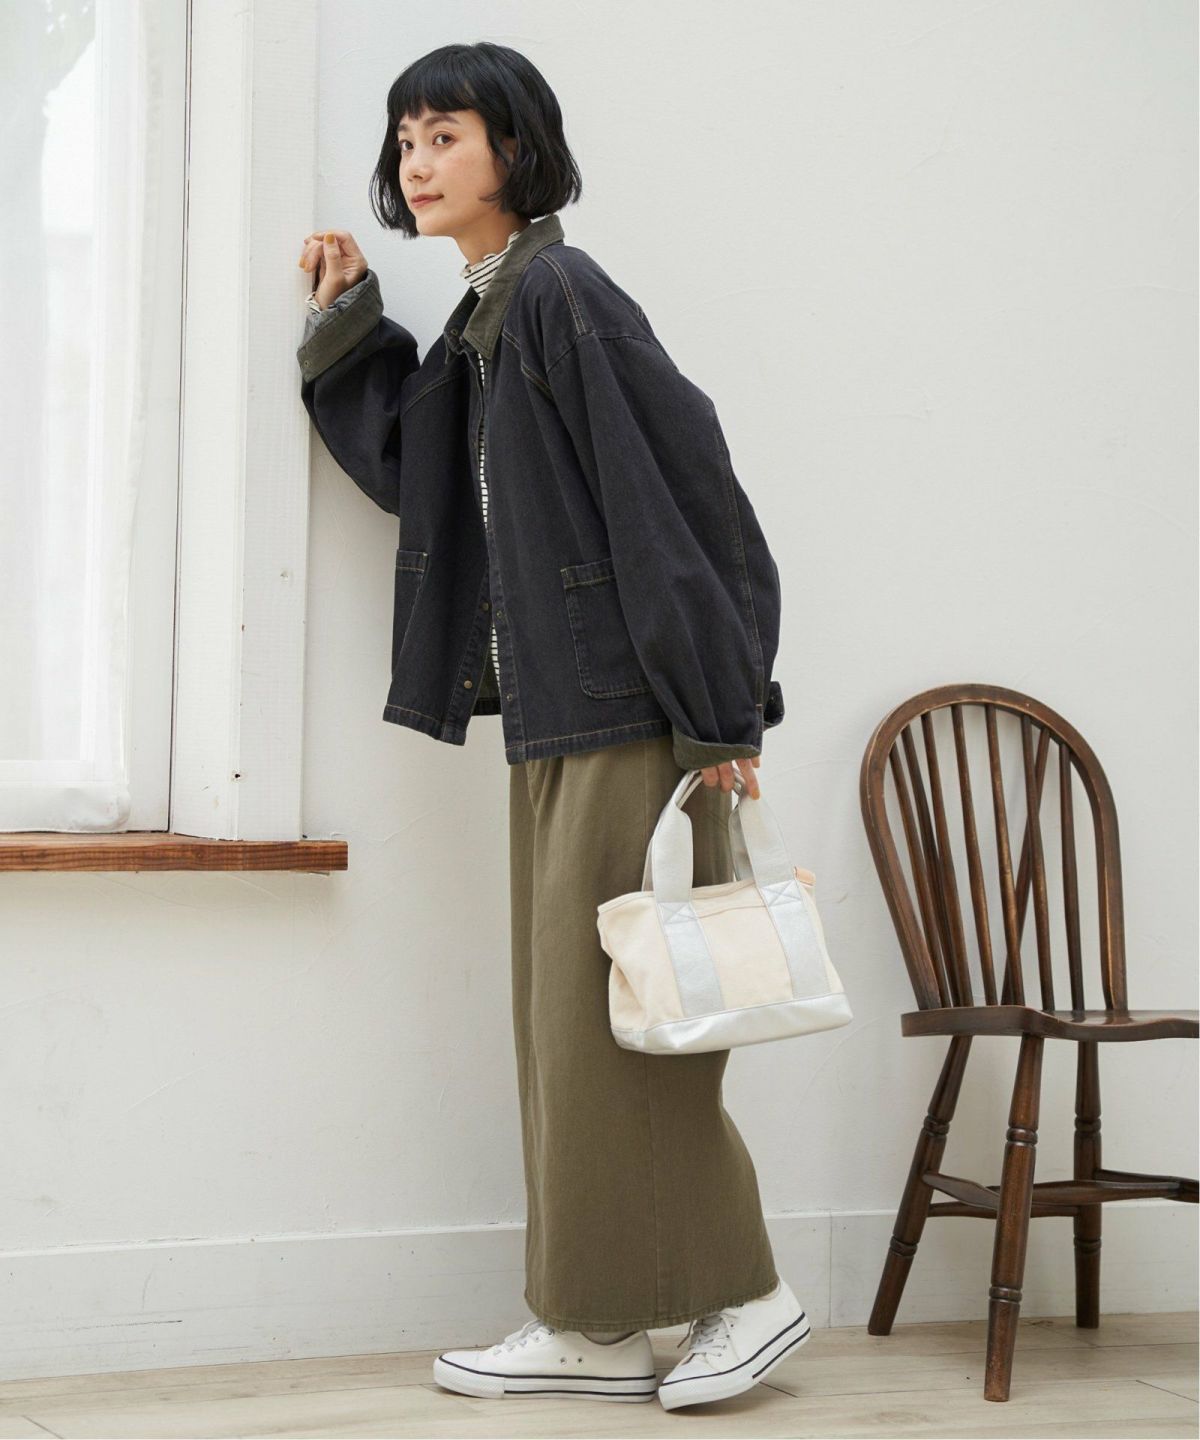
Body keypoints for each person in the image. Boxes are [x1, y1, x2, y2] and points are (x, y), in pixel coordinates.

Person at [295, 41, 808, 1410]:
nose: (418, 162)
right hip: (559, 718)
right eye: (406, 139)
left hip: (634, 715)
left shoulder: (562, 295)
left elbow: (678, 491)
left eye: (446, 135)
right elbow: (416, 468)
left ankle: (750, 1296)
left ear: (514, 149)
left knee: (629, 1028)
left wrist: (717, 711)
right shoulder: (491, 309)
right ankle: (593, 1320)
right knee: (573, 1034)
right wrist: (348, 323)